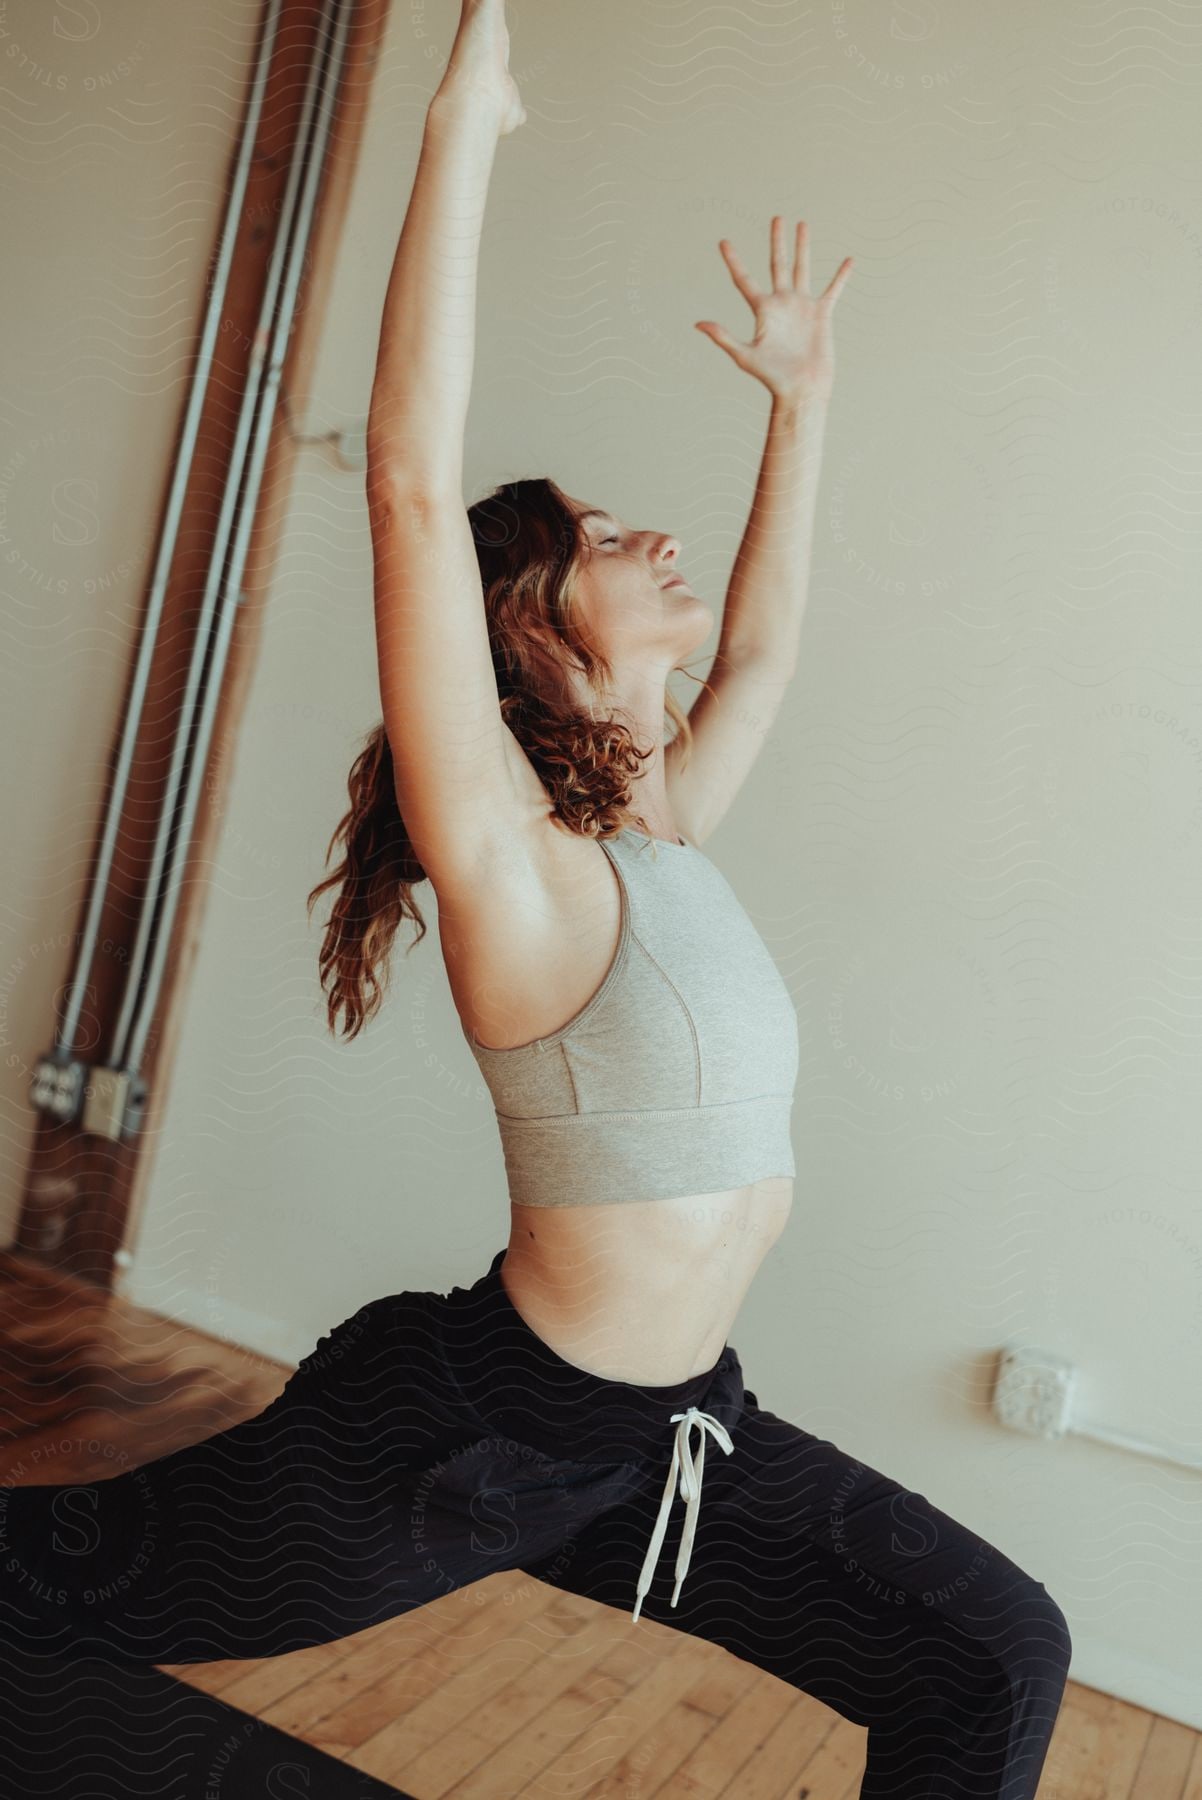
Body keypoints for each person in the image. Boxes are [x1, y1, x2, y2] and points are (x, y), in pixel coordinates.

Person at [1, 3, 1071, 1793]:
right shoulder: (514, 861)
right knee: (38, 1594)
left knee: (993, 1653)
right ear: (524, 624)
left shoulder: (661, 846)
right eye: (596, 534)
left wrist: (802, 407)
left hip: (667, 1441)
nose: (655, 541)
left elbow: (767, 649)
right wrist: (462, 131)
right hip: (461, 1442)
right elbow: (413, 487)